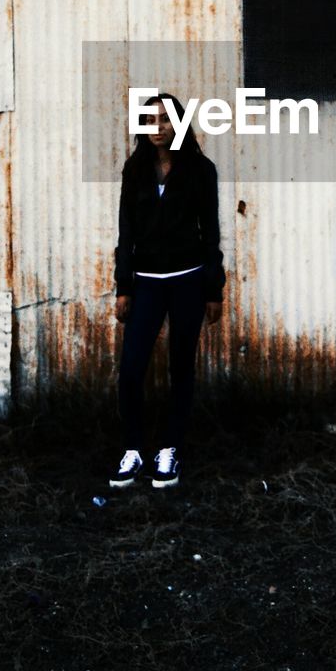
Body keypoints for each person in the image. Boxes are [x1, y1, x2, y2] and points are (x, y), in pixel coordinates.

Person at [111, 91, 225, 490]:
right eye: (150, 120)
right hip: (146, 283)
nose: (157, 128)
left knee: (181, 367)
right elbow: (126, 232)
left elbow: (209, 232)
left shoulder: (200, 169)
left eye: (164, 120)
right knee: (131, 370)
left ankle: (170, 449)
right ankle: (133, 450)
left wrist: (214, 290)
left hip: (189, 279)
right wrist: (123, 286)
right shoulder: (135, 170)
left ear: (178, 125)